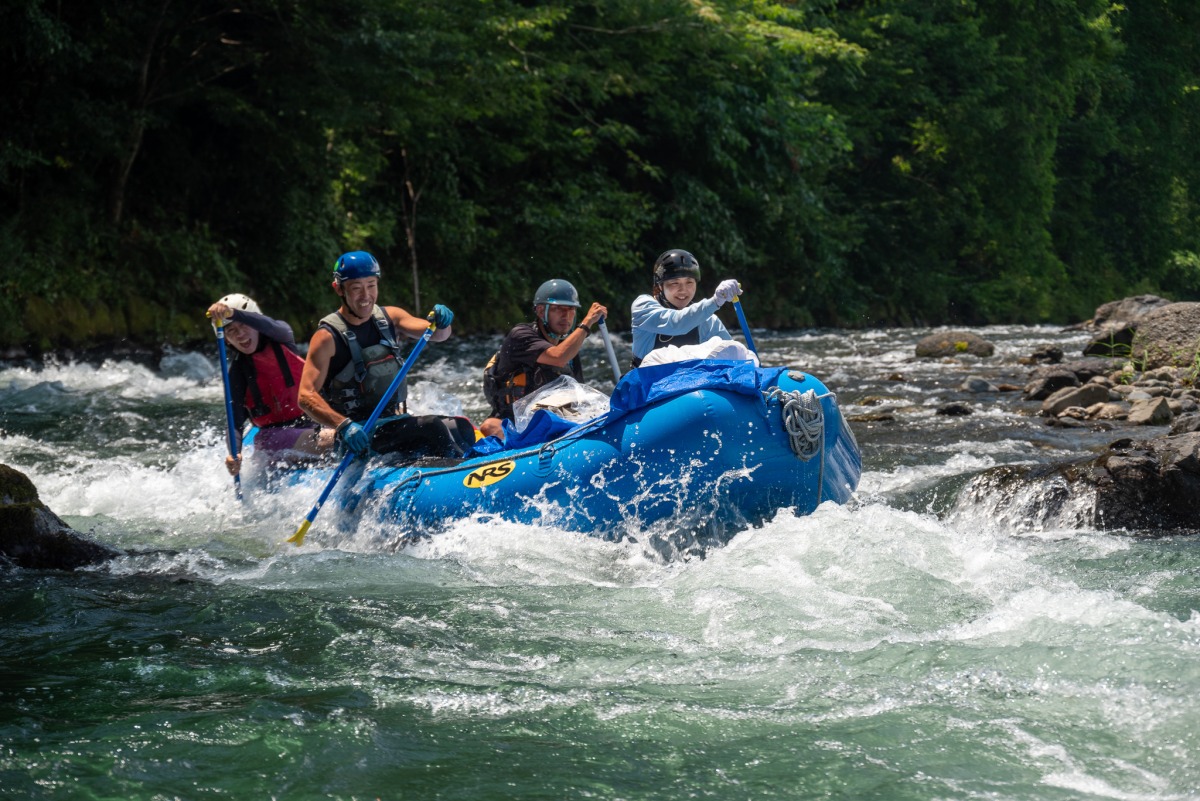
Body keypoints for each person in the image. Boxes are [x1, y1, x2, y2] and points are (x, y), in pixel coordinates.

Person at [298, 250, 472, 459]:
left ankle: (463, 466)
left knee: (460, 427)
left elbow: (438, 335)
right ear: (339, 289)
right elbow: (305, 396)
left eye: (371, 285)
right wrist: (344, 425)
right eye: (356, 288)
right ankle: (459, 469)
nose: (366, 296)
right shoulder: (326, 337)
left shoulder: (390, 318)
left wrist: (443, 323)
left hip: (394, 422)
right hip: (358, 435)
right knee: (433, 428)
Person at [207, 293, 330, 475]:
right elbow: (234, 422)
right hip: (272, 439)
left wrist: (233, 314)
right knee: (337, 440)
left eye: (243, 325)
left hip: (312, 423)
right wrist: (234, 453)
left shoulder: (283, 337)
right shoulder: (237, 373)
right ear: (226, 339)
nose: (240, 334)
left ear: (256, 324)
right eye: (231, 331)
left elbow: (269, 325)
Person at [479, 279, 608, 439]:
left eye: (571, 310)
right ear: (541, 312)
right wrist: (587, 323)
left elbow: (578, 392)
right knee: (491, 425)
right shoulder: (521, 335)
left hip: (553, 420)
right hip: (514, 421)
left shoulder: (569, 349)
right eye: (558, 309)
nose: (566, 316)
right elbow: (558, 357)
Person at [630, 249, 742, 367]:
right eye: (674, 283)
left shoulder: (708, 321)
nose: (683, 290)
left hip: (690, 378)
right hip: (647, 377)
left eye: (689, 282)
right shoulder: (642, 307)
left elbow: (733, 354)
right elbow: (677, 323)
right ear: (660, 286)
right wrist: (715, 301)